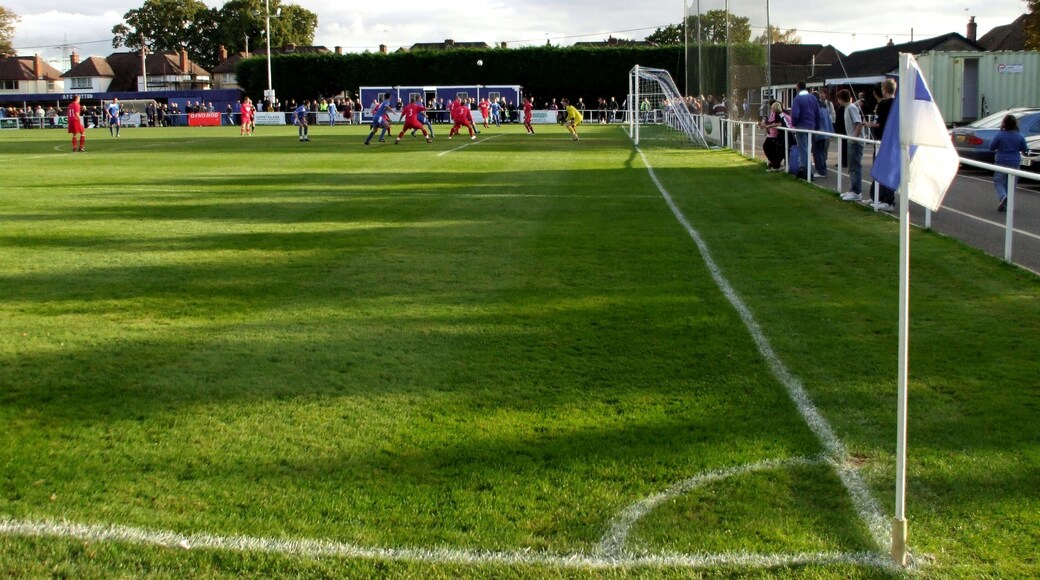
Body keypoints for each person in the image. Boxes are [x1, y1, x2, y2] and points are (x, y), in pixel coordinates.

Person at [867, 79, 897, 211]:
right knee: (887, 170)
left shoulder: (883, 105)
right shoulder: (897, 104)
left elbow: (878, 123)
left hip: (882, 141)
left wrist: (869, 124)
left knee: (882, 170)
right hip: (892, 141)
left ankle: (887, 200)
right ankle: (879, 197)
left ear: (884, 90)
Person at [989, 114, 1028, 212]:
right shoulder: (1019, 136)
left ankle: (1003, 196)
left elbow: (991, 147)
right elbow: (1024, 149)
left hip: (1001, 161)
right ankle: (1007, 205)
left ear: (1004, 124)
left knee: (999, 181)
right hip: (1014, 162)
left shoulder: (1000, 135)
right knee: (1011, 184)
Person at [837, 89, 867, 201]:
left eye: (838, 99)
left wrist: (854, 138)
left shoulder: (851, 108)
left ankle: (856, 192)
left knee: (854, 166)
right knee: (851, 166)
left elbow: (858, 124)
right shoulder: (848, 108)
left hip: (855, 142)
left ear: (841, 99)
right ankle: (853, 189)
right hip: (852, 141)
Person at [789, 81, 820, 178]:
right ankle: (803, 168)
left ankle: (807, 172)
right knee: (807, 149)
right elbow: (817, 112)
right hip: (811, 126)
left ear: (798, 88)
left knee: (803, 149)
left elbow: (795, 114)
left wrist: (794, 124)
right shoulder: (813, 97)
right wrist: (817, 126)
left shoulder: (797, 99)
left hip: (801, 127)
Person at [761, 101, 786, 171]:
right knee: (768, 148)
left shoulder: (777, 114)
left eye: (772, 107)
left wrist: (769, 126)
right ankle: (774, 163)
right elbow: (770, 122)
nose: (771, 108)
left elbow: (779, 124)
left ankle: (775, 164)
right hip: (770, 134)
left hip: (774, 135)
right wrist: (765, 125)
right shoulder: (773, 114)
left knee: (767, 147)